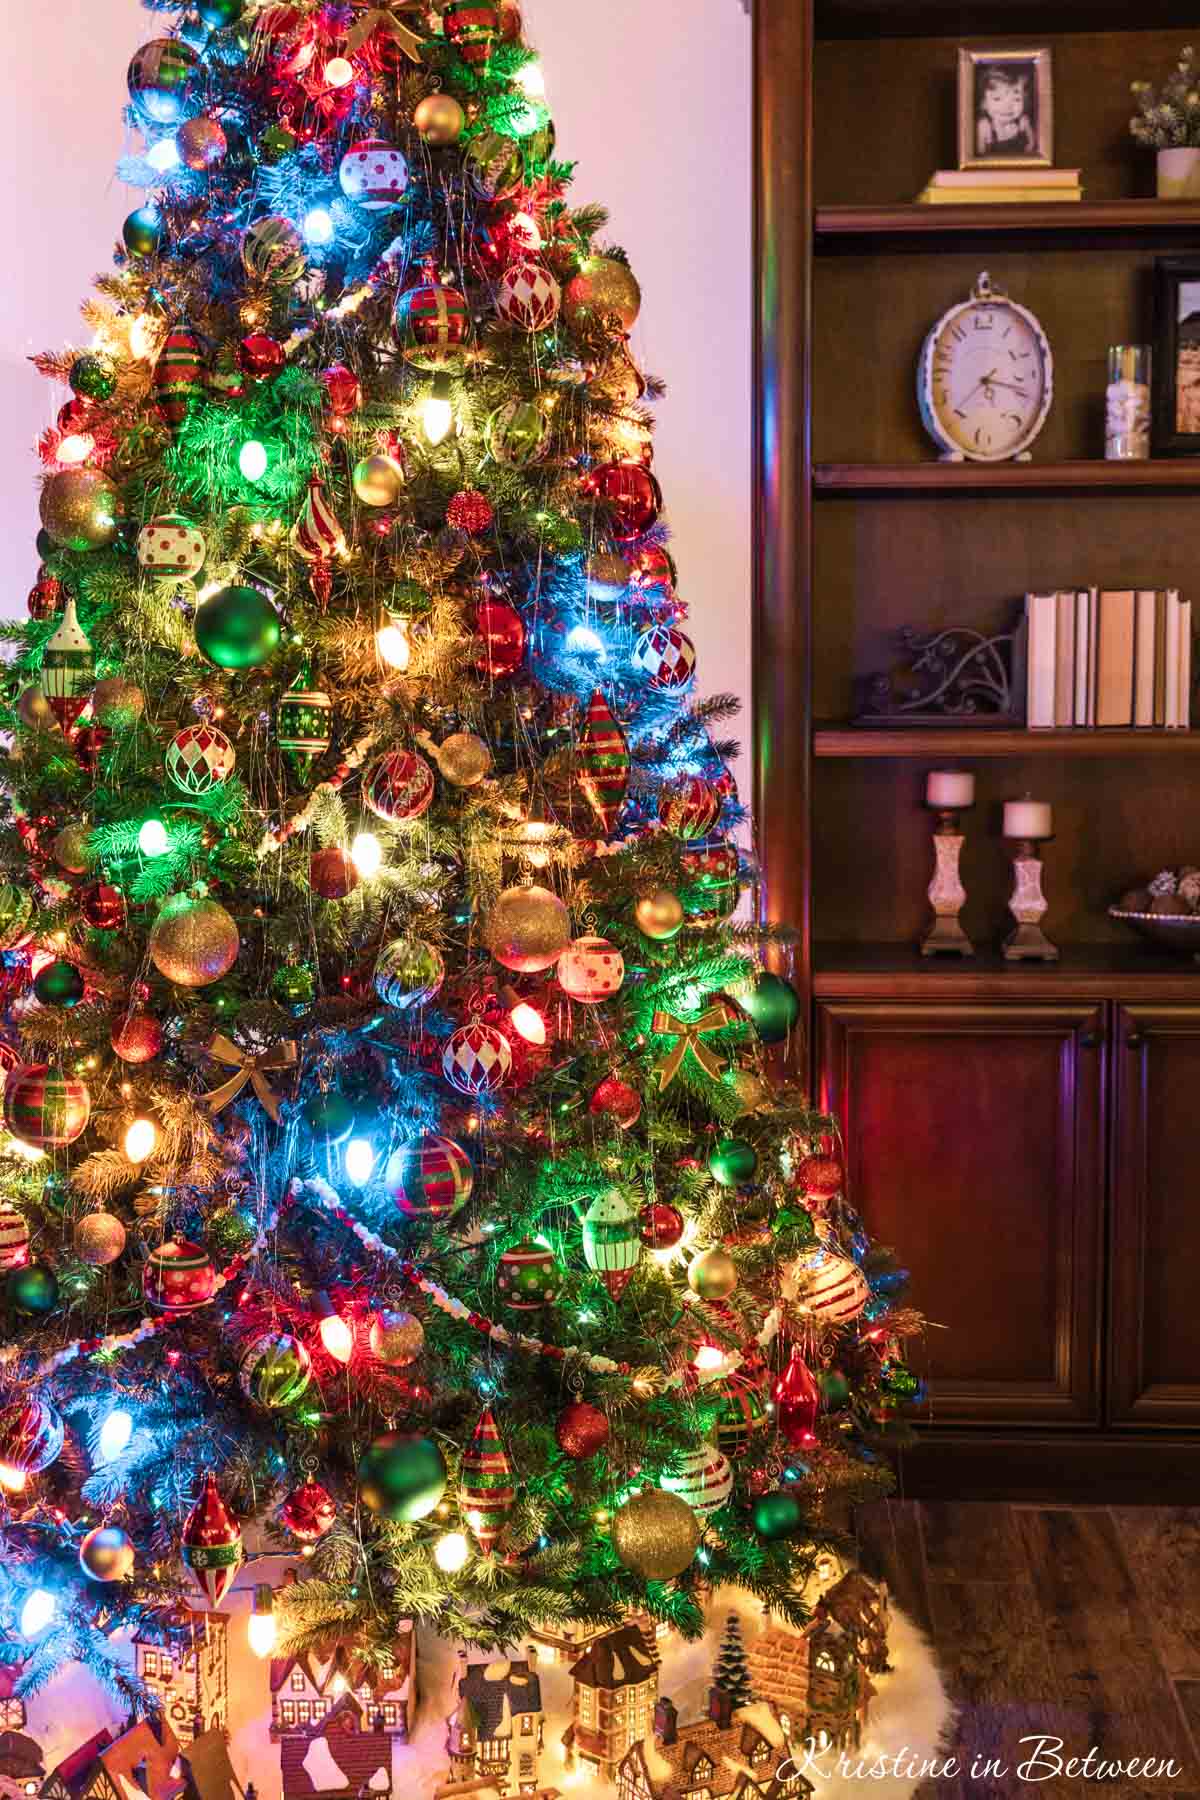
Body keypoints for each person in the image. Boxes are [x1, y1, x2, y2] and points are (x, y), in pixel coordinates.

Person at [975, 65, 1036, 156]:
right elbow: (979, 157)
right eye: (997, 98)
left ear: (1025, 101)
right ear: (984, 103)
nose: (1007, 106)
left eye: (1016, 99)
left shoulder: (1023, 121)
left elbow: (1032, 144)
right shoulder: (984, 127)